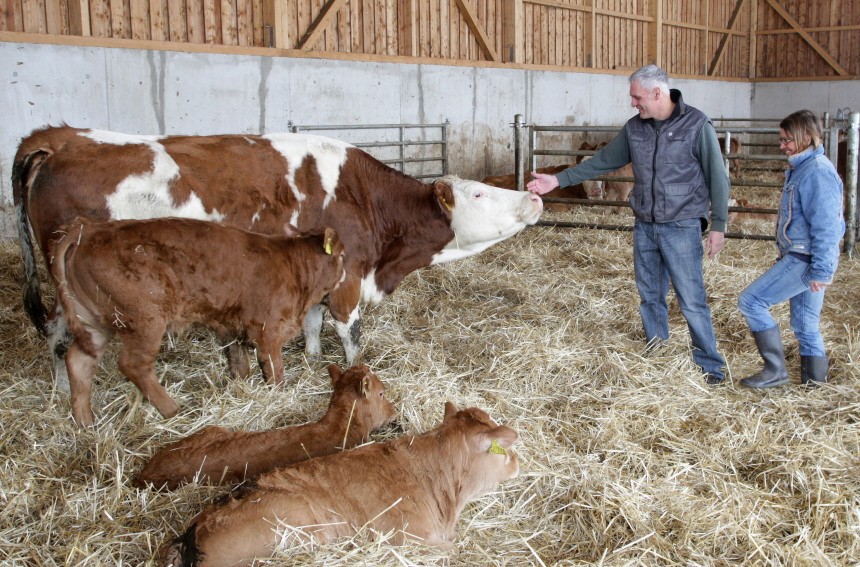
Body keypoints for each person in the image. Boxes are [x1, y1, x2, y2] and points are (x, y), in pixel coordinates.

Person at [527, 64, 729, 385]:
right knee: (650, 295)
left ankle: (711, 367)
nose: (633, 103)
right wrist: (558, 180)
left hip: (682, 225)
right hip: (645, 224)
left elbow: (717, 175)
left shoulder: (696, 124)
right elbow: (603, 161)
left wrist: (718, 224)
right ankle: (657, 353)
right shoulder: (635, 128)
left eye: (637, 97)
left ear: (657, 93)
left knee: (691, 300)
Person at [737, 110, 845, 388]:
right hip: (804, 256)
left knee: (751, 301)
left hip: (805, 258)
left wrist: (822, 269)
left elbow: (828, 226)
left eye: (787, 140)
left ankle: (775, 370)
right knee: (805, 325)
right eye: (781, 140)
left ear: (807, 137)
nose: (782, 146)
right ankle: (815, 386)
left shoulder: (817, 171)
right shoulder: (803, 168)